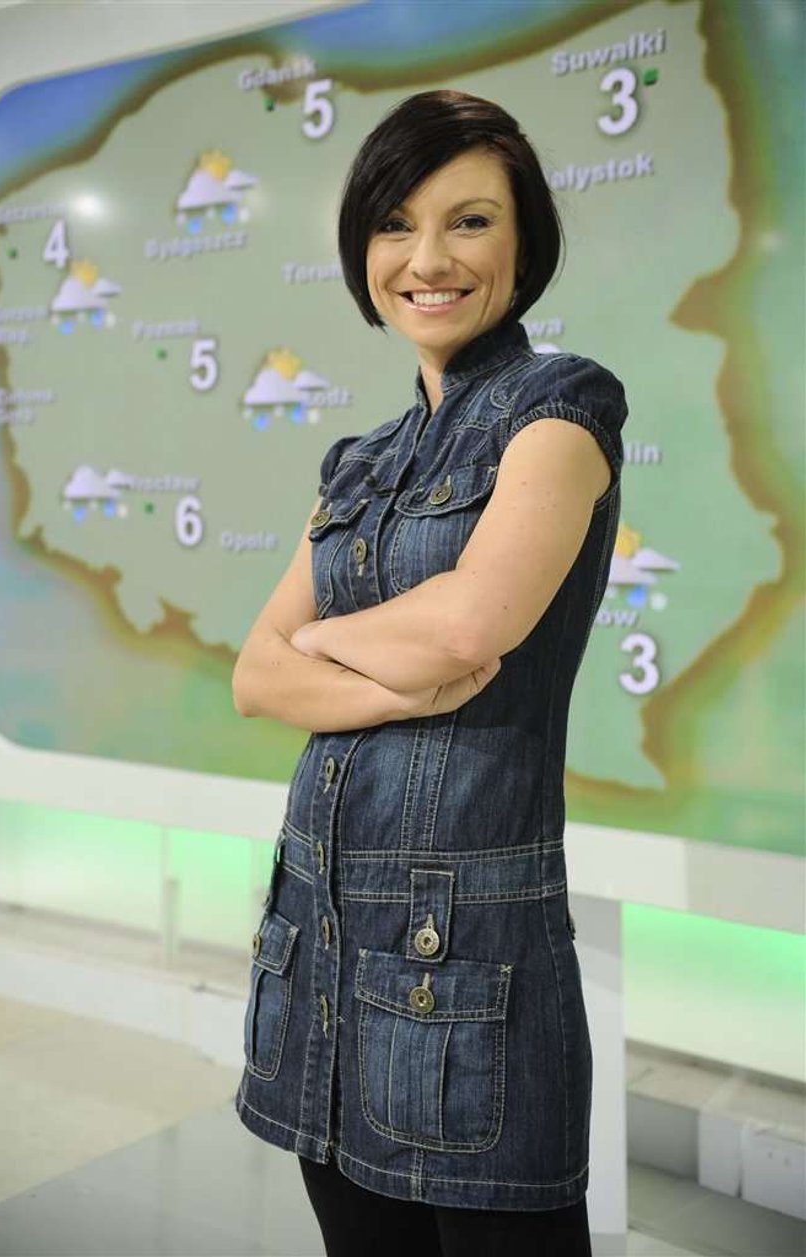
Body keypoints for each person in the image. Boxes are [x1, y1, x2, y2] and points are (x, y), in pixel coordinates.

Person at [232, 88, 628, 1257]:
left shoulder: (561, 408)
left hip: (460, 960)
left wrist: (327, 642)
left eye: (470, 221)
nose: (428, 260)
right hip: (318, 926)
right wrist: (383, 668)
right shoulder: (358, 461)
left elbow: (470, 629)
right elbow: (255, 674)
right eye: (395, 225)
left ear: (524, 242)